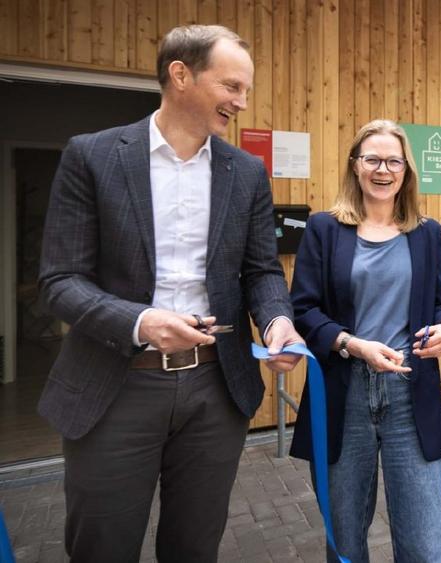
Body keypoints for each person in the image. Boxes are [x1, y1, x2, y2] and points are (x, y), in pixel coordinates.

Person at [37, 24, 303, 562]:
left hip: (216, 389)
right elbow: (61, 280)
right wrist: (140, 322)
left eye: (246, 90)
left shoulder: (245, 172)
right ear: (180, 75)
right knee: (103, 548)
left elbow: (261, 271)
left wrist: (278, 321)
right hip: (114, 385)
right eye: (231, 86)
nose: (241, 102)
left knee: (195, 547)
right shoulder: (92, 156)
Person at [289, 119, 441, 562]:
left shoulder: (427, 233)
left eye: (393, 162)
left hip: (410, 391)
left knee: (428, 546)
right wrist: (352, 344)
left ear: (406, 170)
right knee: (345, 541)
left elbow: (440, 303)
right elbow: (303, 309)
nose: (383, 170)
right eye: (372, 160)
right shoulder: (324, 229)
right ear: (355, 165)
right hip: (345, 393)